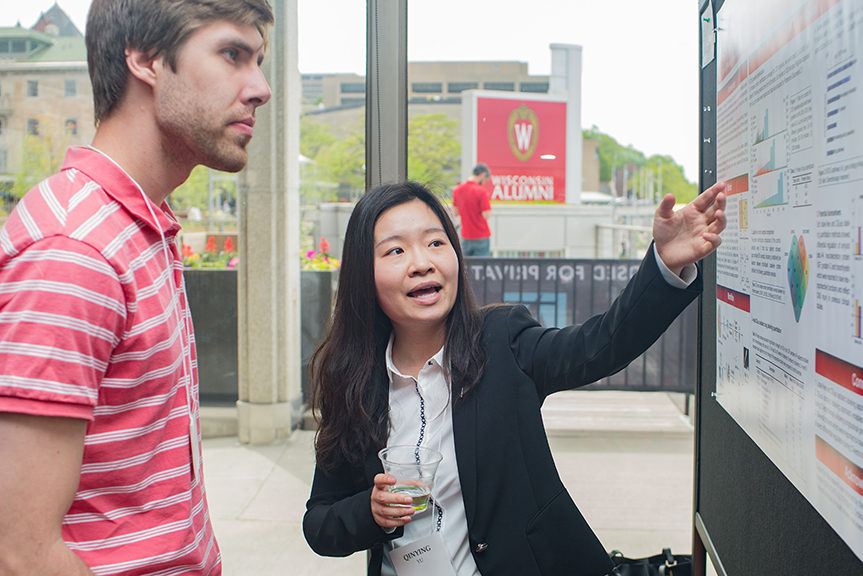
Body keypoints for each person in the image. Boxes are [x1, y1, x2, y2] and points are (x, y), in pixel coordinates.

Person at [303, 180, 727, 576]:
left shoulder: (501, 342)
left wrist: (663, 264)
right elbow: (319, 523)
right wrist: (371, 512)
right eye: (395, 251)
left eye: (436, 242)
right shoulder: (353, 382)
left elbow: (601, 346)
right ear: (364, 274)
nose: (422, 263)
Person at [0, 0, 273, 574]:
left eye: (261, 60)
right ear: (146, 58)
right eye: (233, 55)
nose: (260, 88)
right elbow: (20, 552)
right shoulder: (75, 253)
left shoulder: (138, 225)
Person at [452, 163, 493, 256]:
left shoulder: (457, 190)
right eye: (485, 180)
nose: (484, 182)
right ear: (482, 175)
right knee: (481, 267)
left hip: (465, 236)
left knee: (466, 267)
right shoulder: (481, 191)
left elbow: (455, 212)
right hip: (481, 236)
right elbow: (486, 215)